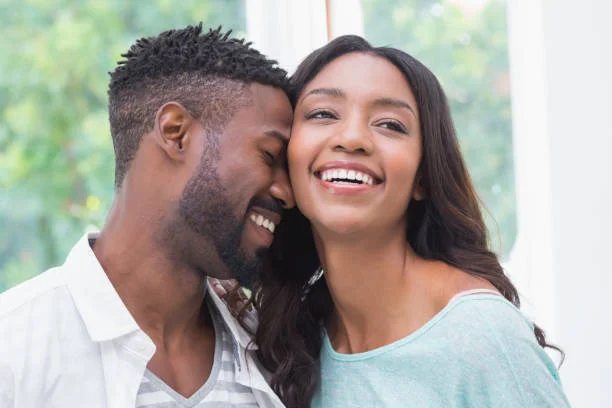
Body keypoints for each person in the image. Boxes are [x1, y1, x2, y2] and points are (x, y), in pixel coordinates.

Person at [254, 35, 572, 408]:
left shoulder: (480, 336)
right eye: (323, 114)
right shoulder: (291, 337)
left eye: (390, 124)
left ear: (423, 176)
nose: (353, 138)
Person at [0, 24, 294, 407]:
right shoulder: (14, 347)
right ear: (176, 134)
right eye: (270, 156)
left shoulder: (275, 356)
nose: (287, 193)